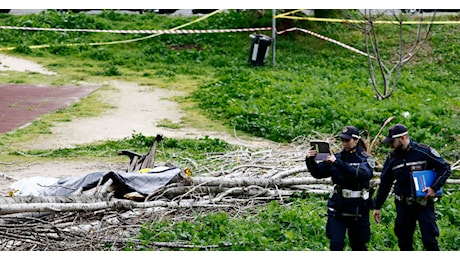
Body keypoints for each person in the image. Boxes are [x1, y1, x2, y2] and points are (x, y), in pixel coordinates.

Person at [372, 124, 451, 251]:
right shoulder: (392, 158)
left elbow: (445, 168)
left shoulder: (423, 152)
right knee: (404, 241)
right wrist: (377, 206)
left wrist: (434, 188)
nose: (390, 145)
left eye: (392, 141)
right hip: (403, 205)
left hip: (423, 204)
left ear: (402, 138)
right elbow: (385, 183)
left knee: (429, 240)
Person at [305, 126, 375, 251]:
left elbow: (362, 174)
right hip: (339, 208)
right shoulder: (337, 157)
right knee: (336, 245)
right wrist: (310, 160)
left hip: (358, 210)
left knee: (358, 246)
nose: (344, 143)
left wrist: (337, 163)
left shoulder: (365, 158)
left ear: (356, 140)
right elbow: (318, 173)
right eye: (342, 140)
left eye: (347, 140)